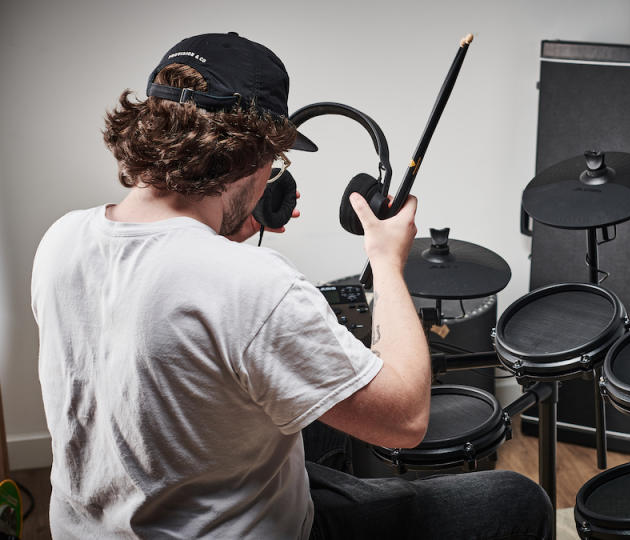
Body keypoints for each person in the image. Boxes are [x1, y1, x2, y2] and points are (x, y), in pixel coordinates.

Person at [31, 32, 552, 539]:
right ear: (244, 157)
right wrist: (388, 261)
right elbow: (407, 418)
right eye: (272, 164)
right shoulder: (253, 285)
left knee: (316, 418)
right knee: (515, 500)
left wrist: (222, 230)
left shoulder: (63, 239)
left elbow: (172, 319)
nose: (269, 181)